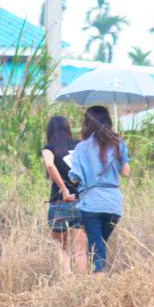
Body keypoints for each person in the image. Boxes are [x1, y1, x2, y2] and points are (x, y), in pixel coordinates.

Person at [68, 106, 130, 273]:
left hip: (91, 203)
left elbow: (74, 177)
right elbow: (126, 172)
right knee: (99, 243)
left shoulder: (81, 148)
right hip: (113, 204)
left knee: (96, 246)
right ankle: (97, 279)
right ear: (108, 122)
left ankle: (98, 283)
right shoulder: (118, 144)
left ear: (87, 123)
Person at [41, 115, 89, 274]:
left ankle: (67, 282)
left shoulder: (49, 148)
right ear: (68, 128)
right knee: (81, 251)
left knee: (61, 247)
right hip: (81, 202)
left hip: (59, 203)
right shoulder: (80, 145)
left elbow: (49, 164)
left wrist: (63, 188)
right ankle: (83, 284)